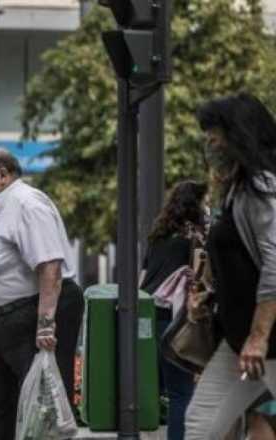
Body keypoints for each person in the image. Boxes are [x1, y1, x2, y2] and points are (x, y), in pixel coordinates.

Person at [0, 148, 85, 440]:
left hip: (27, 319)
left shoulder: (26, 204)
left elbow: (50, 267)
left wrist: (45, 325)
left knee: (41, 415)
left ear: (2, 174)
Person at [185, 93, 276, 439]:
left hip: (264, 339)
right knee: (201, 425)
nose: (209, 144)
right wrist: (211, 295)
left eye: (214, 134)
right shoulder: (238, 190)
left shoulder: (262, 188)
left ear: (240, 134)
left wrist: (259, 337)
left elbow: (275, 263)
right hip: (242, 339)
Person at [139, 180, 209, 440]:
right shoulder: (194, 240)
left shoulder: (157, 237)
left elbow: (143, 278)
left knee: (156, 388)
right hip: (175, 319)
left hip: (148, 316)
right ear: (195, 205)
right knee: (181, 392)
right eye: (204, 201)